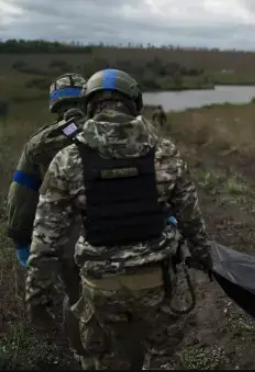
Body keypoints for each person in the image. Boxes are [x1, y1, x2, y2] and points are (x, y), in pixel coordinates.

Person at [25, 69, 213, 370]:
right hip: (155, 282)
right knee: (161, 358)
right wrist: (205, 259)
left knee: (106, 361)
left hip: (99, 287)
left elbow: (45, 239)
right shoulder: (166, 154)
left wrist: (38, 297)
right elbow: (191, 221)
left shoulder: (67, 160)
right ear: (135, 103)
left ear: (89, 106)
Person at [6, 72, 91, 368]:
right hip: (121, 233)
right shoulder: (116, 131)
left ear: (54, 105)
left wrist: (21, 241)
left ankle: (85, 357)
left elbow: (20, 201)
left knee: (77, 297)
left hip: (67, 238)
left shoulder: (38, 144)